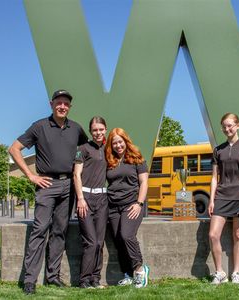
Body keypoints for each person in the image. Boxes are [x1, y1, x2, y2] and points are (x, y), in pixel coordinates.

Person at [9, 89, 88, 294]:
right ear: (51, 104)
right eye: (59, 103)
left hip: (68, 187)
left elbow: (85, 153)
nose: (63, 106)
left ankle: (53, 277)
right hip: (46, 185)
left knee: (59, 232)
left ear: (70, 107)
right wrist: (31, 175)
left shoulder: (76, 129)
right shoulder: (39, 127)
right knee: (39, 230)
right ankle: (29, 280)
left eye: (66, 104)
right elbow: (14, 149)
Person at [208, 113, 239, 284]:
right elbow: (214, 177)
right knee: (213, 235)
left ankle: (236, 272)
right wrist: (212, 200)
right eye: (224, 126)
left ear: (238, 125)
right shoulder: (217, 150)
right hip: (221, 196)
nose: (227, 129)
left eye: (230, 125)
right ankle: (219, 272)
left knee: (238, 234)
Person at [105, 128, 150, 288]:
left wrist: (139, 203)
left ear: (126, 141)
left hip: (131, 204)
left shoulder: (136, 158)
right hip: (113, 206)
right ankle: (128, 274)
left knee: (126, 235)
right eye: (114, 142)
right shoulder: (110, 161)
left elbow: (144, 182)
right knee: (118, 240)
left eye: (120, 141)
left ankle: (140, 270)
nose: (118, 145)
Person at [73, 116, 108, 289]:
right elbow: (76, 174)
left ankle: (95, 279)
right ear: (90, 131)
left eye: (101, 129)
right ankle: (84, 280)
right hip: (85, 199)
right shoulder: (82, 149)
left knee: (99, 243)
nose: (98, 133)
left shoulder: (108, 149)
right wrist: (80, 199)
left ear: (105, 129)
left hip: (102, 200)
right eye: (95, 130)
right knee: (91, 242)